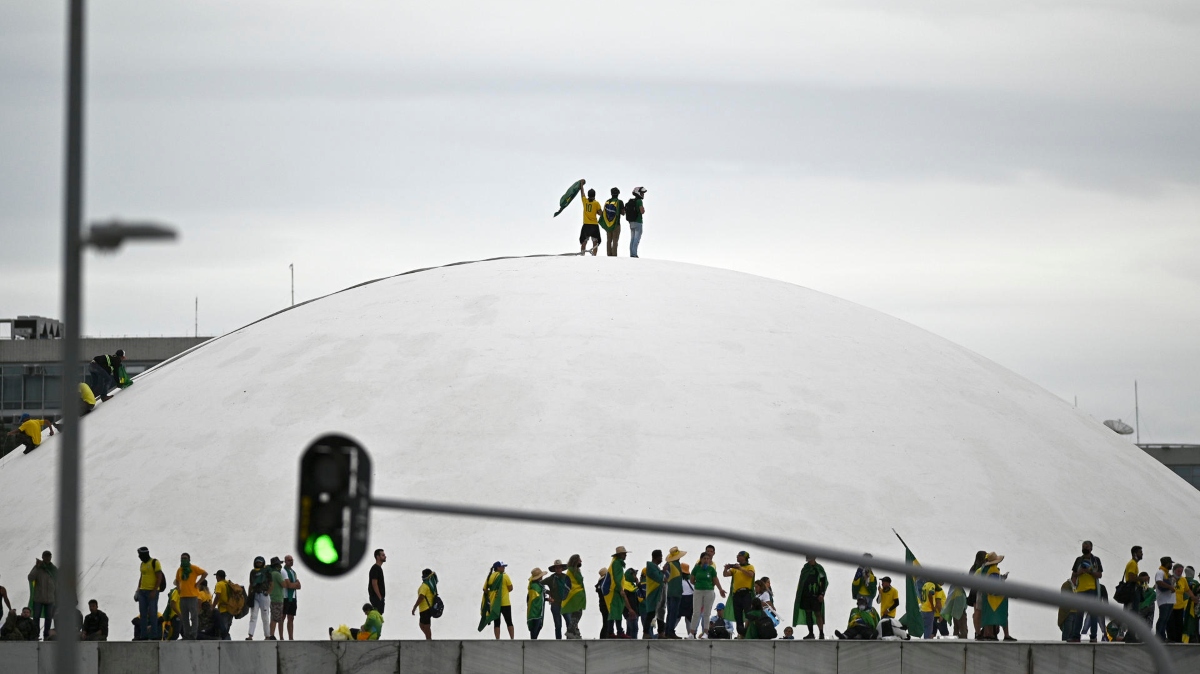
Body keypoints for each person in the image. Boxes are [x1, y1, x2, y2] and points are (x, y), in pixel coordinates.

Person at [1068, 540, 1103, 642]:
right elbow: (1073, 576)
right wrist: (1079, 572)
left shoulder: (1096, 560)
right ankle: (1076, 636)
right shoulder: (1078, 560)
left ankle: (1093, 636)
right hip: (1080, 590)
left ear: (1091, 548)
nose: (1085, 548)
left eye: (1087, 546)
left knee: (1093, 614)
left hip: (1092, 589)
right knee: (1079, 614)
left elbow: (1099, 575)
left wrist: (1090, 571)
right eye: (1083, 546)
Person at [978, 551, 1015, 641]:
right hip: (996, 599)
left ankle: (989, 634)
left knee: (989, 617)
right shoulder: (993, 569)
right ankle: (1006, 635)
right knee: (1003, 615)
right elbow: (995, 584)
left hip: (986, 596)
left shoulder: (984, 569)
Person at [688, 550, 724, 639]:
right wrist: (698, 584)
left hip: (709, 591)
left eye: (708, 559)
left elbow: (715, 580)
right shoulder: (696, 568)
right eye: (704, 558)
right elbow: (692, 580)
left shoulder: (711, 569)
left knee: (706, 613)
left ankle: (705, 633)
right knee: (696, 612)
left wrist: (720, 589)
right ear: (701, 559)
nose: (706, 560)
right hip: (698, 591)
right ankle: (692, 633)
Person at [175, 552, 208, 640]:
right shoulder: (179, 570)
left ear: (189, 559)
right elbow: (177, 580)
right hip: (182, 596)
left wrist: (198, 583)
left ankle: (193, 635)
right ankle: (186, 635)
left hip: (192, 596)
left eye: (185, 558)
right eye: (182, 558)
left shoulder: (193, 568)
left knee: (194, 617)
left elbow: (205, 573)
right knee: (184, 617)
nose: (183, 560)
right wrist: (178, 588)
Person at [793, 555, 828, 639]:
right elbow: (802, 582)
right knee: (808, 614)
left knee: (818, 614)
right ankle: (811, 633)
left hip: (816, 595)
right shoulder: (805, 568)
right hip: (806, 596)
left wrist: (822, 594)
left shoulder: (819, 568)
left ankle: (821, 633)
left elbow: (823, 581)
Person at [134, 546, 164, 641]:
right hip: (142, 591)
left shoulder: (155, 562)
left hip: (152, 591)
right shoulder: (142, 564)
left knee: (152, 613)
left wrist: (155, 590)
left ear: (145, 554)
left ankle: (154, 635)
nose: (139, 557)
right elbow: (141, 577)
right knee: (143, 614)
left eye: (140, 555)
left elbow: (159, 577)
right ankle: (144, 635)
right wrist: (137, 590)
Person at [723, 551, 755, 637]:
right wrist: (726, 568)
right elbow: (725, 575)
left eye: (739, 556)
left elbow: (751, 575)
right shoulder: (735, 569)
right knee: (738, 615)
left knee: (748, 613)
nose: (737, 557)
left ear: (744, 557)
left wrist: (740, 568)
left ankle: (749, 630)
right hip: (737, 594)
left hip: (746, 593)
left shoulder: (749, 567)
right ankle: (741, 632)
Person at [481, 561, 514, 639]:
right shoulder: (505, 576)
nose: (504, 568)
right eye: (502, 567)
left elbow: (485, 589)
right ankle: (512, 638)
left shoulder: (490, 576)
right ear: (498, 568)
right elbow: (511, 588)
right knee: (509, 621)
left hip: (494, 603)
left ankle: (497, 639)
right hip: (505, 603)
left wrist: (492, 593)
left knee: (496, 623)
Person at [28, 550, 57, 640]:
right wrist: (37, 567)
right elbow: (30, 578)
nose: (47, 558)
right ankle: (35, 635)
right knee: (36, 618)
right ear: (42, 557)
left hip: (50, 599)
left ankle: (46, 636)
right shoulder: (38, 567)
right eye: (46, 556)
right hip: (39, 598)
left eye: (49, 556)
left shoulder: (53, 569)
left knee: (48, 619)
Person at [246, 556, 272, 640]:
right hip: (255, 595)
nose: (258, 563)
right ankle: (250, 635)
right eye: (257, 562)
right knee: (253, 615)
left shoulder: (267, 571)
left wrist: (268, 592)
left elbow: (271, 583)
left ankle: (267, 635)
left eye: (260, 562)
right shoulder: (252, 572)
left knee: (265, 616)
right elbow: (251, 584)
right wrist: (249, 595)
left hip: (264, 595)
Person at [640, 550, 665, 639]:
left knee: (660, 613)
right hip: (653, 594)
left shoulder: (655, 567)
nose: (662, 558)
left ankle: (661, 632)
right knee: (651, 613)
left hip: (659, 594)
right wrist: (663, 572)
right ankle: (646, 632)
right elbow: (658, 578)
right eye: (661, 556)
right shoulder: (650, 567)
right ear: (656, 557)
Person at [561, 554, 586, 639]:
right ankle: (571, 630)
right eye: (579, 560)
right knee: (578, 612)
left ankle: (574, 631)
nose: (581, 561)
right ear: (575, 561)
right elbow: (578, 581)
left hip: (575, 595)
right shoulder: (573, 571)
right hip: (575, 595)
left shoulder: (571, 570)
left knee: (576, 613)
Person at [1169, 563, 1195, 643]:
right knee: (1171, 625)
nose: (1180, 573)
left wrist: (1193, 597)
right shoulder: (1169, 578)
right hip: (1170, 606)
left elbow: (1187, 590)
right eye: (1178, 571)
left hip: (1180, 606)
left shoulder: (1183, 580)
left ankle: (1179, 641)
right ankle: (1171, 639)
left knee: (1179, 625)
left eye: (1181, 571)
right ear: (1174, 571)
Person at [664, 546, 686, 638]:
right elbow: (665, 576)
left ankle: (667, 631)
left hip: (670, 592)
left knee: (670, 612)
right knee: (673, 612)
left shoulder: (671, 564)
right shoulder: (673, 564)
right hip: (675, 592)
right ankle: (670, 631)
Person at [544, 559, 569, 640]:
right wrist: (548, 592)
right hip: (555, 605)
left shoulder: (566, 578)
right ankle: (558, 641)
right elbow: (539, 584)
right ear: (554, 569)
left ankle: (570, 641)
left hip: (566, 604)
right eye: (557, 568)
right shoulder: (551, 579)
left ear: (562, 568)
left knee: (569, 623)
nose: (558, 569)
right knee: (558, 625)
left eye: (559, 567)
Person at [411, 568, 437, 640]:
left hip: (425, 609)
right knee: (422, 625)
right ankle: (428, 638)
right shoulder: (430, 586)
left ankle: (429, 640)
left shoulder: (425, 586)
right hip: (426, 609)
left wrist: (415, 607)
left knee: (426, 626)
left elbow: (421, 597)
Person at [264, 557, 285, 640]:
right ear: (277, 565)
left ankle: (270, 635)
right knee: (275, 618)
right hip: (277, 598)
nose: (280, 565)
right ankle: (270, 635)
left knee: (275, 617)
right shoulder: (276, 574)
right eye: (279, 564)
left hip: (272, 598)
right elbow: (284, 585)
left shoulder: (271, 574)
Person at [1155, 556, 1175, 641]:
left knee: (1166, 619)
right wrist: (1170, 587)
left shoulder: (1167, 573)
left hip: (1169, 600)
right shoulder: (1160, 572)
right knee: (1162, 618)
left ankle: (1162, 636)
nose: (1171, 565)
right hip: (1163, 600)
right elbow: (1159, 582)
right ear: (1167, 563)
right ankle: (1158, 636)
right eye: (1170, 563)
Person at [600, 187, 624, 256]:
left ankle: (608, 254)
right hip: (616, 224)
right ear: (618, 194)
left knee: (609, 240)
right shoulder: (619, 202)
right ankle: (614, 255)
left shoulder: (607, 201)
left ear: (611, 193)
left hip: (608, 224)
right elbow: (623, 213)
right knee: (615, 240)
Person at [281, 555, 300, 640]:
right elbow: (288, 585)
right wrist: (294, 585)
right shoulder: (283, 571)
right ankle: (281, 637)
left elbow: (299, 585)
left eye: (292, 560)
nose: (291, 561)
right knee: (282, 617)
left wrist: (294, 585)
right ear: (285, 561)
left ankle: (291, 637)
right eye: (289, 560)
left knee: (291, 618)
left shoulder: (293, 572)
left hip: (293, 597)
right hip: (285, 597)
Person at [967, 550, 986, 639]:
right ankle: (978, 631)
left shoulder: (973, 567)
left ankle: (977, 631)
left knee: (976, 613)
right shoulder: (979, 568)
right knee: (978, 613)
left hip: (974, 591)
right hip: (977, 592)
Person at [579, 188, 602, 255]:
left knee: (584, 241)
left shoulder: (585, 201)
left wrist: (581, 185)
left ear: (588, 195)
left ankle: (582, 254)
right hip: (594, 225)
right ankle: (594, 255)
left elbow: (582, 194)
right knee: (595, 241)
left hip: (586, 225)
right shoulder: (596, 203)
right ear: (594, 195)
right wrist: (597, 212)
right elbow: (601, 213)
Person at [212, 570, 233, 640]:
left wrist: (212, 606)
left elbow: (217, 596)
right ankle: (228, 642)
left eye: (216, 576)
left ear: (218, 576)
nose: (216, 578)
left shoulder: (219, 584)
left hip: (223, 609)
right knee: (227, 628)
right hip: (231, 609)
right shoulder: (228, 583)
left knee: (223, 628)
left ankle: (226, 642)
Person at [527, 568, 547, 639]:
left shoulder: (538, 585)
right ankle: (532, 645)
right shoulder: (535, 587)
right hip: (535, 612)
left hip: (536, 611)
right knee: (535, 630)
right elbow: (535, 599)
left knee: (537, 628)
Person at [626, 186, 646, 258]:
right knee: (636, 239)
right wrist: (643, 209)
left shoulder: (633, 201)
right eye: (642, 193)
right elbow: (642, 211)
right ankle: (634, 254)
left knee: (632, 239)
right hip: (638, 222)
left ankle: (632, 253)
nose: (643, 194)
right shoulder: (639, 201)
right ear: (638, 193)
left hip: (631, 222)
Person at [622, 567, 641, 639]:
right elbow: (624, 599)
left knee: (630, 630)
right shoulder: (626, 586)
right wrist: (630, 609)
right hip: (630, 612)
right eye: (634, 575)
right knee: (634, 629)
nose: (635, 577)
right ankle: (633, 647)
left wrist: (637, 583)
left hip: (634, 612)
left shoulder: (632, 585)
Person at [369, 549, 387, 614]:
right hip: (376, 598)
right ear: (377, 557)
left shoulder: (378, 568)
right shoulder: (375, 568)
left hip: (378, 598)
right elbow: (374, 583)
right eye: (383, 555)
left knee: (379, 616)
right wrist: (379, 597)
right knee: (377, 617)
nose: (385, 556)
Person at [680, 564, 695, 637]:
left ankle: (669, 632)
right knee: (689, 619)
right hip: (690, 601)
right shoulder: (691, 580)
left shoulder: (679, 580)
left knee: (676, 617)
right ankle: (691, 635)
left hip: (681, 600)